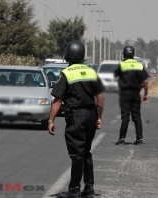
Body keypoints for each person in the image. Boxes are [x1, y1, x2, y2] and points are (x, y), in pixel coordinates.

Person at [48, 40, 105, 198]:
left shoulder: (66, 73)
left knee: (77, 154)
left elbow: (58, 100)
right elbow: (100, 97)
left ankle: (73, 190)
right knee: (86, 151)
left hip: (76, 116)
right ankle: (89, 187)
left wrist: (51, 120)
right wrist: (99, 117)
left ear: (67, 56)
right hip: (91, 114)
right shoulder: (92, 72)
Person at [114, 46, 149, 145]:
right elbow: (145, 82)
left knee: (125, 117)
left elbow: (115, 76)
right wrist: (146, 94)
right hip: (135, 94)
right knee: (137, 116)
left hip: (125, 94)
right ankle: (139, 139)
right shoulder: (139, 65)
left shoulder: (122, 65)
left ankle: (121, 139)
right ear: (133, 54)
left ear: (124, 54)